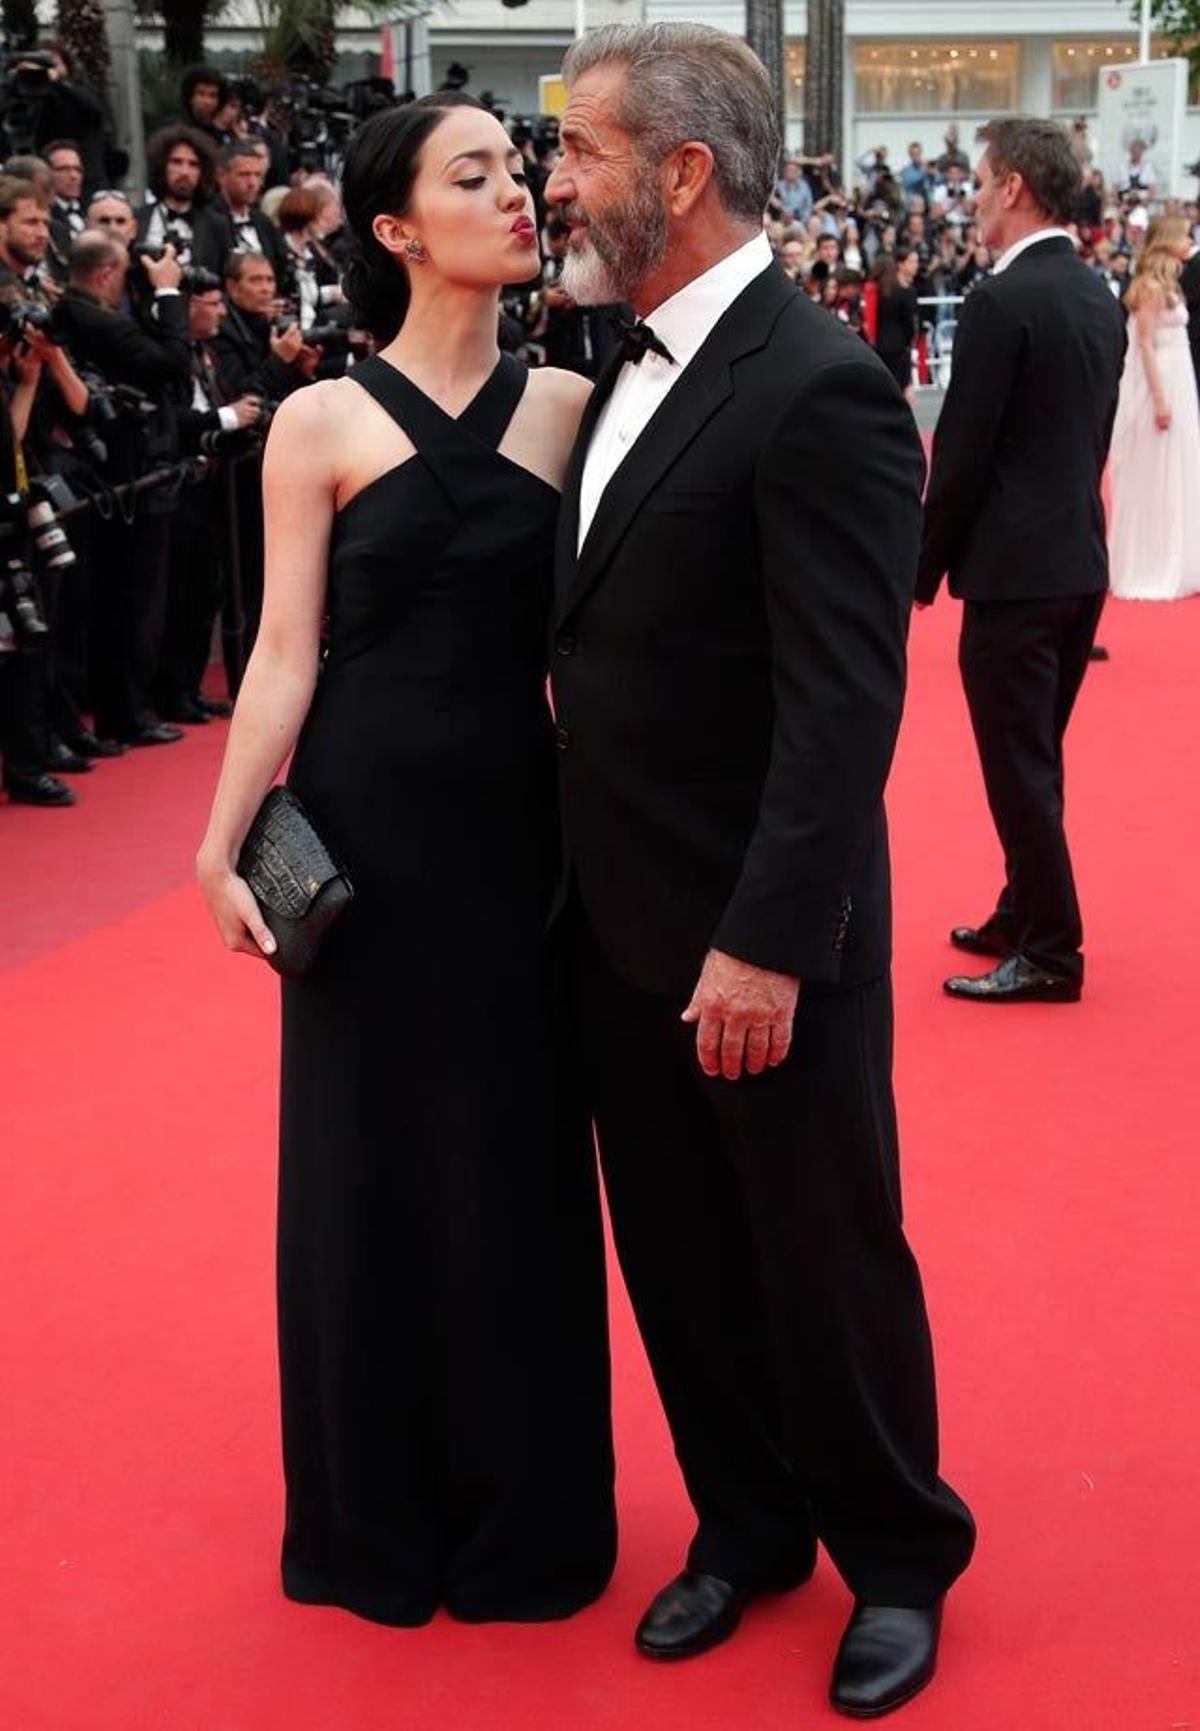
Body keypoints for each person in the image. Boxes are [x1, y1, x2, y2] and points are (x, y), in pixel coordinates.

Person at [546, 23, 975, 1719]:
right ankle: (746, 1524)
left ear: (681, 171)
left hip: (759, 940)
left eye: (575, 149)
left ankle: (899, 1553)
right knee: (677, 1251)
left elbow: (843, 705)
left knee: (823, 1250)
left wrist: (770, 944)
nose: (552, 178)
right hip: (615, 921)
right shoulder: (615, 362)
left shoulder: (820, 386)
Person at [196, 93, 617, 1629]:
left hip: (522, 841)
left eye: (519, 170)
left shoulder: (572, 407)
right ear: (392, 227)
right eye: (474, 175)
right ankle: (373, 1511)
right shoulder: (318, 421)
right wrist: (219, 833)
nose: (517, 193)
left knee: (514, 1166)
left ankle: (527, 1512)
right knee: (369, 1173)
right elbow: (283, 655)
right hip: (366, 846)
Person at [917, 118, 1126, 1003]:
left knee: (1019, 765)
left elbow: (961, 454)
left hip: (1014, 575)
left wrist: (917, 570)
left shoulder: (1003, 302)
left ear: (1012, 188)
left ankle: (1051, 947)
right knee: (1036, 757)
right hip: (1078, 561)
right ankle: (1022, 906)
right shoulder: (1097, 295)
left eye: (981, 180)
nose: (972, 198)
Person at [1107, 215, 1200, 601]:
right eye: (1183, 236)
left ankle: (1181, 559)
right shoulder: (1147, 287)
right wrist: (1159, 398)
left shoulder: (1171, 285)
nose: (1189, 241)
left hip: (1179, 378)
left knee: (1181, 466)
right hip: (1158, 380)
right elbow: (1143, 343)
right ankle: (1151, 561)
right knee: (1156, 468)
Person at [872, 248, 920, 398]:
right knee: (900, 391)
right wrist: (910, 339)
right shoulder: (906, 292)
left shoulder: (879, 291)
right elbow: (910, 324)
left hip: (879, 344)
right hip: (899, 346)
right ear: (899, 264)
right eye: (912, 261)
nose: (916, 265)